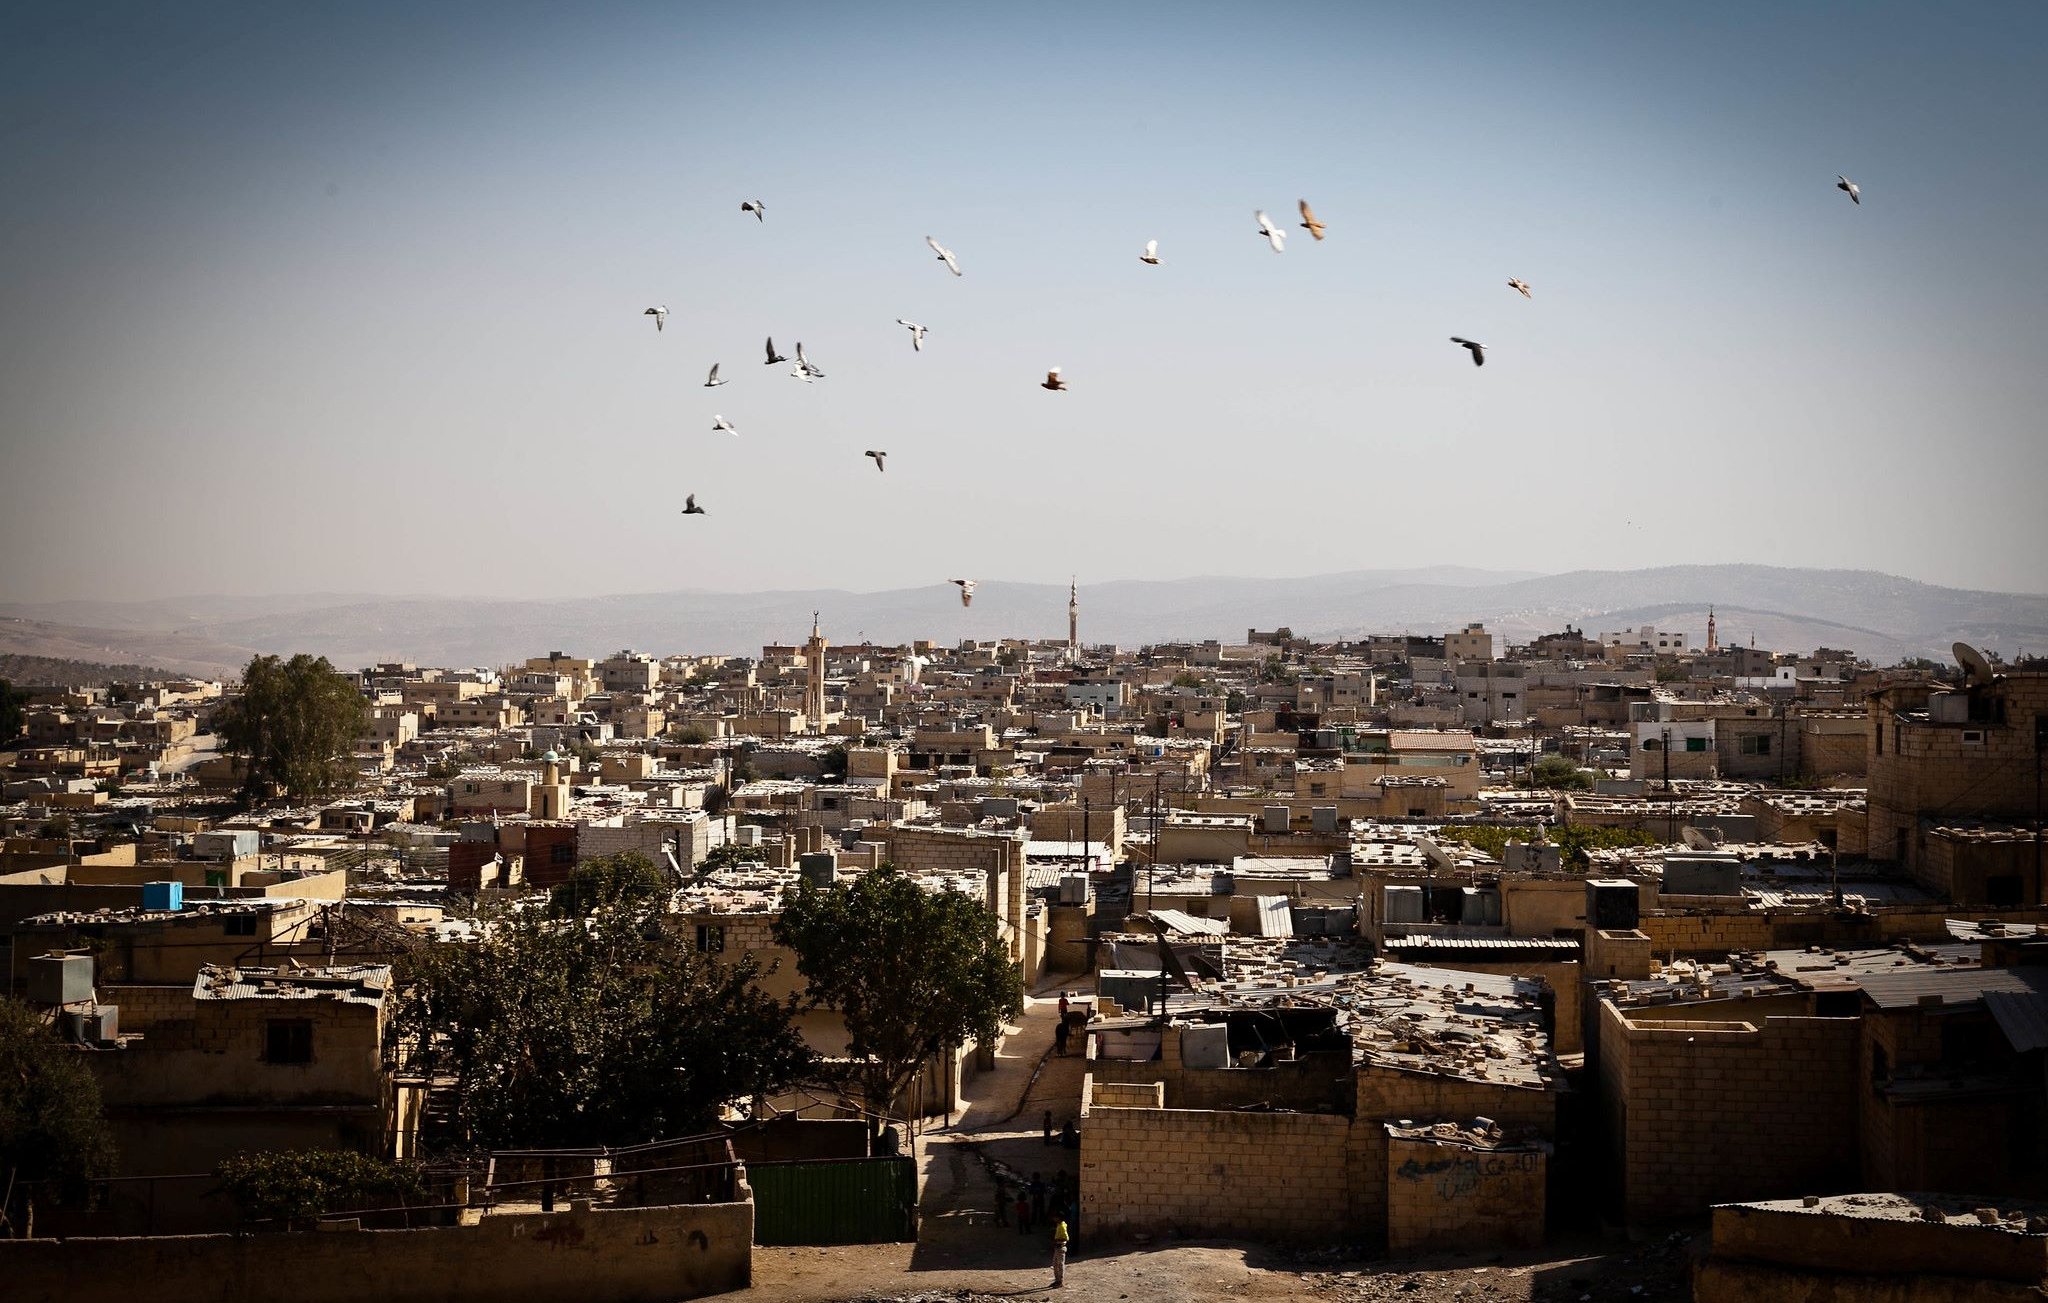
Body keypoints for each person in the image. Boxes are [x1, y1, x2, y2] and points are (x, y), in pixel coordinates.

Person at [1051, 1215, 1070, 1287]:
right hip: (1057, 1247)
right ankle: (1057, 1280)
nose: (1054, 1218)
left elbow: (1066, 1238)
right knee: (1055, 1264)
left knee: (1060, 1265)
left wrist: (1057, 1241)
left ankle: (1060, 1281)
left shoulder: (1062, 1226)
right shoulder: (1059, 1225)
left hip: (1060, 1247)